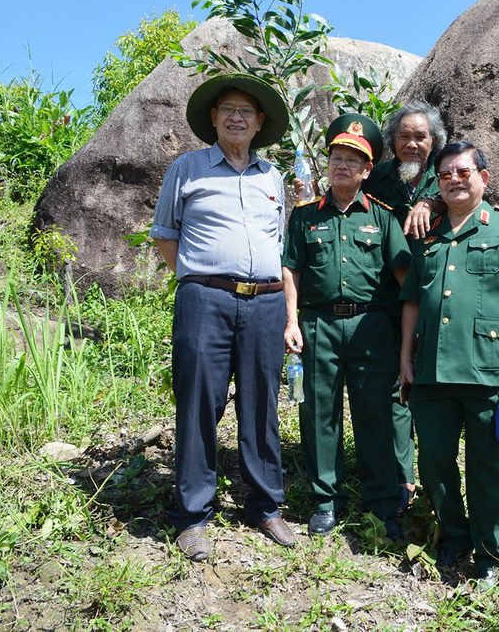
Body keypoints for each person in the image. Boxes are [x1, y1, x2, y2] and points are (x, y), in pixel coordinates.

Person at [150, 73, 296, 561]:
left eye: (246, 111)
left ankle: (265, 507)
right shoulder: (187, 168)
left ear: (259, 123)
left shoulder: (272, 177)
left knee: (262, 403)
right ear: (213, 118)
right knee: (199, 401)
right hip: (205, 300)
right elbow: (166, 234)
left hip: (266, 302)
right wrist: (200, 280)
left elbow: (278, 243)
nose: (237, 117)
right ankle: (192, 516)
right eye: (228, 109)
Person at [398, 141, 499, 585]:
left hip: (487, 368)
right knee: (435, 463)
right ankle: (454, 537)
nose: (454, 181)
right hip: (431, 370)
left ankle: (490, 554)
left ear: (483, 177)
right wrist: (406, 357)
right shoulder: (427, 233)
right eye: (445, 175)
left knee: (489, 466)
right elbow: (412, 301)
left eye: (463, 172)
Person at [282, 115, 411, 537]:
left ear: (366, 170)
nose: (342, 165)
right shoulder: (305, 216)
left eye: (352, 160)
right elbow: (291, 271)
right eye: (336, 157)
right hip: (318, 325)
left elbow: (403, 277)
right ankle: (326, 500)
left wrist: (418, 330)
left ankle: (381, 501)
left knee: (375, 413)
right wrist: (291, 321)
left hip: (371, 326)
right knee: (319, 412)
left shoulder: (384, 218)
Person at [361, 102, 447, 512]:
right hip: (387, 299)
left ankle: (438, 480)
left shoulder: (446, 174)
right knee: (396, 385)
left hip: (437, 297)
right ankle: (401, 478)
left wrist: (430, 202)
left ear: (434, 141)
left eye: (420, 136)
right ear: (392, 140)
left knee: (431, 390)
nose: (412, 144)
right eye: (404, 136)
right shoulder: (377, 178)